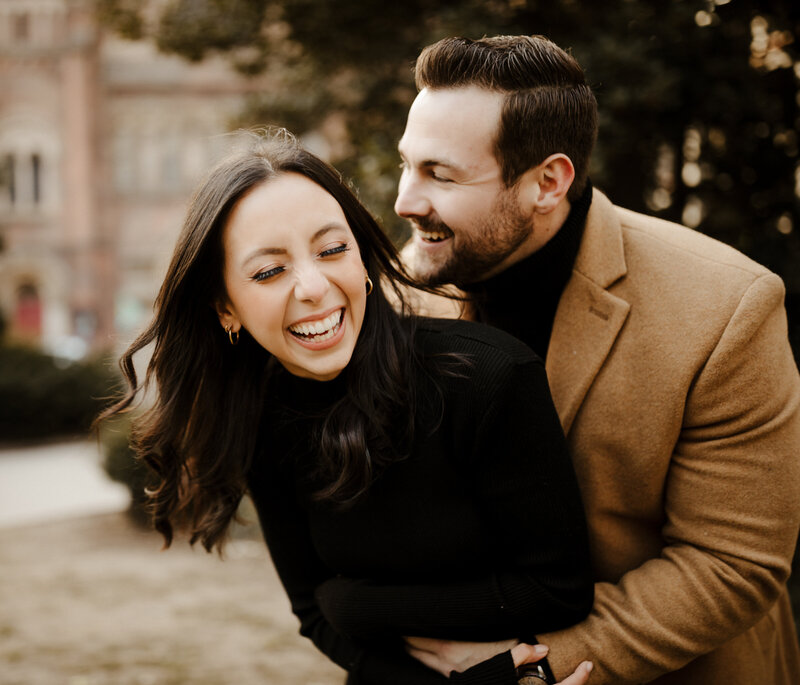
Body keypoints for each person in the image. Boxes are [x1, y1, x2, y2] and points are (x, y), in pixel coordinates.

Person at [98, 131, 597, 684]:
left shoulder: (487, 377)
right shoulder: (259, 414)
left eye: (332, 249)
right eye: (269, 271)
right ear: (225, 308)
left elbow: (558, 590)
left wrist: (357, 605)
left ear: (361, 257)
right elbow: (314, 611)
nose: (314, 286)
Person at [393, 35, 800, 684]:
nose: (404, 201)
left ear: (547, 182)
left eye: (439, 174)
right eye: (406, 165)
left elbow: (733, 563)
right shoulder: (405, 293)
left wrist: (530, 662)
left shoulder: (728, 307)